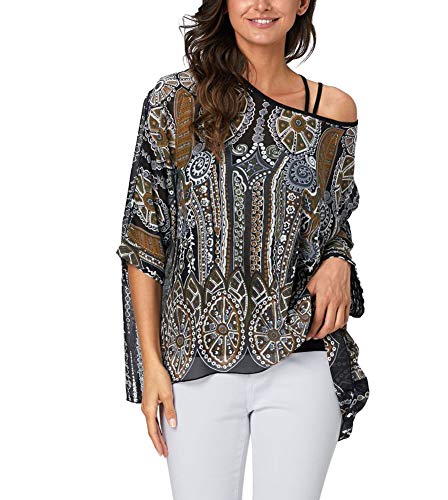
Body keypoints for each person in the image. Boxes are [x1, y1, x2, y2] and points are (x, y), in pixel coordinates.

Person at [115, 1, 369, 499]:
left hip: (301, 350)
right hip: (194, 360)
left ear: (302, 3)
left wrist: (339, 259)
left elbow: (334, 222)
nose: (262, 4)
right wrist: (151, 365)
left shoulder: (333, 110)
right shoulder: (174, 102)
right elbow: (144, 237)